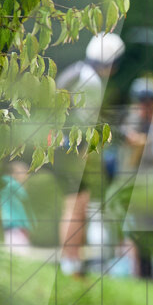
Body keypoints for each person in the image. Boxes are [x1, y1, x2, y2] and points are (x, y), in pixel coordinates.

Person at [54, 32, 126, 276]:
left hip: (59, 147)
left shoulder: (77, 71)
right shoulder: (91, 82)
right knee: (76, 206)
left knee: (75, 205)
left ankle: (72, 261)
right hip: (71, 150)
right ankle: (70, 262)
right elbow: (84, 123)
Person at [120, 76, 153, 279]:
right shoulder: (135, 122)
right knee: (142, 234)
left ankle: (148, 274)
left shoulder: (149, 124)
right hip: (138, 189)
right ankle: (144, 276)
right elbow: (149, 154)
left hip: (150, 188)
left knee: (149, 231)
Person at [0, 160, 33, 248]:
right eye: (25, 172)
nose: (27, 176)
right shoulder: (13, 185)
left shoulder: (6, 185)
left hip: (11, 227)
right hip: (16, 228)